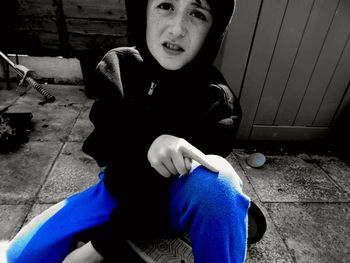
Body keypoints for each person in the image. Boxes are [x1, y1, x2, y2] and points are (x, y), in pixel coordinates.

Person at [6, 0, 263, 262]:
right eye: (166, 5)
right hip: (118, 193)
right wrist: (149, 144)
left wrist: (96, 248)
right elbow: (110, 157)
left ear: (213, 30)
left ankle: (215, 218)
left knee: (219, 185)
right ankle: (165, 233)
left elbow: (161, 192)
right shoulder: (117, 67)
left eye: (197, 13)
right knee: (19, 256)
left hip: (171, 201)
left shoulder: (217, 101)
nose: (177, 29)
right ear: (143, 11)